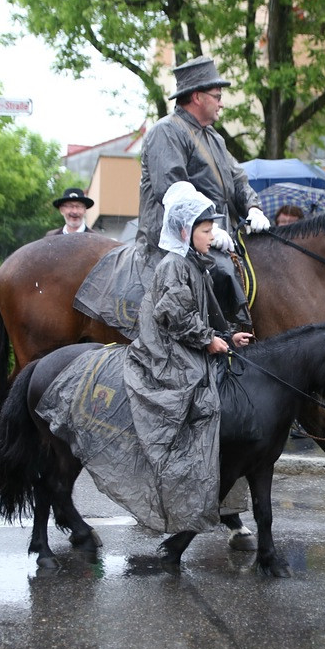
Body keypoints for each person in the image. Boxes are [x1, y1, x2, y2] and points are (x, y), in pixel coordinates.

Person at [124, 182, 254, 530]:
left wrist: (227, 336)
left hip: (189, 344)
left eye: (212, 229)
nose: (211, 236)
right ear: (185, 230)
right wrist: (210, 341)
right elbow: (175, 316)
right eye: (206, 230)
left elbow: (201, 313)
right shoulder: (174, 265)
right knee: (206, 404)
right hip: (168, 354)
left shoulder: (196, 263)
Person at [136, 55, 272, 326]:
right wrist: (205, 227)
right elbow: (173, 190)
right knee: (222, 272)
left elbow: (238, 179)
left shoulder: (215, 138)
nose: (222, 103)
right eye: (217, 95)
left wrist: (253, 207)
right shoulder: (165, 132)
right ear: (198, 97)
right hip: (175, 241)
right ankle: (225, 345)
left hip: (216, 236)